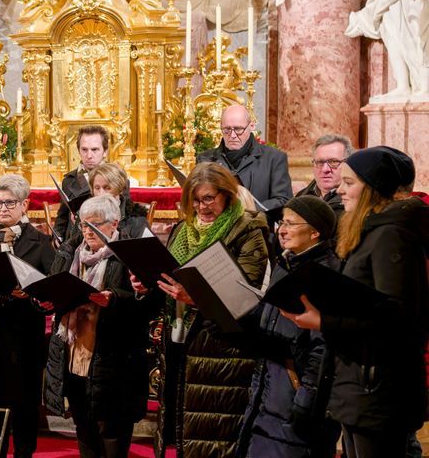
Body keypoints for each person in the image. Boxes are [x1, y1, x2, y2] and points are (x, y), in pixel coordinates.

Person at [282, 147, 428, 457]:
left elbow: (397, 317)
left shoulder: (391, 235)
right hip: (358, 382)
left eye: (349, 182)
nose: (339, 188)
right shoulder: (367, 230)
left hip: (378, 385)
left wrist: (323, 322)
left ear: (372, 188)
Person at [140, 162, 269, 457]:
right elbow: (168, 282)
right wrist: (145, 285)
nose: (201, 206)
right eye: (195, 200)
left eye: (209, 198)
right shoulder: (182, 231)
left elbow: (246, 297)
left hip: (220, 351)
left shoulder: (247, 230)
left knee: (215, 441)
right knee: (186, 439)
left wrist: (196, 297)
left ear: (226, 195)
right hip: (178, 344)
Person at [42, 194, 156, 458]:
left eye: (94, 225)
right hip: (73, 353)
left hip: (113, 358)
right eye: (83, 225)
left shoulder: (130, 252)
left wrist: (114, 299)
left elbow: (150, 306)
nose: (86, 231)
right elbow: (53, 286)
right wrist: (45, 302)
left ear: (114, 223)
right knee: (84, 427)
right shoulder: (70, 250)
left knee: (111, 431)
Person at [236, 196, 341, 457]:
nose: (281, 230)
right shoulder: (286, 264)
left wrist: (305, 404)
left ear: (315, 232)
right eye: (281, 222)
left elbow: (323, 349)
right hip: (270, 395)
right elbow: (268, 322)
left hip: (294, 404)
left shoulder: (325, 275)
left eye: (291, 224)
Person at [0, 174, 55, 458]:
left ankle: (24, 454)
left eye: (9, 203)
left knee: (24, 406)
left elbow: (50, 286)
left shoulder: (40, 242)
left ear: (25, 204)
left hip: (23, 333)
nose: (2, 208)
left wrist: (30, 293)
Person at [197, 104, 293, 211]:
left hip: (258, 225)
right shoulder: (205, 160)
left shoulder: (274, 158)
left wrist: (246, 211)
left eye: (238, 129)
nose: (232, 135)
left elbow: (283, 200)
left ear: (251, 126)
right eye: (227, 129)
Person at [54, 162, 149, 268]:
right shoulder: (85, 216)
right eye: (97, 188)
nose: (101, 194)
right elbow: (72, 250)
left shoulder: (136, 221)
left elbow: (141, 262)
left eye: (107, 188)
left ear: (120, 189)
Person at [54, 125, 110, 240]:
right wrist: (57, 236)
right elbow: (62, 217)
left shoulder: (118, 179)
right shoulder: (69, 180)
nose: (89, 156)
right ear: (79, 151)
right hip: (75, 242)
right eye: (84, 150)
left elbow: (125, 216)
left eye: (94, 150)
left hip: (106, 239)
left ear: (105, 151)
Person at [296, 134, 351, 218]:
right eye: (320, 162)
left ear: (348, 164)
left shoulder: (353, 201)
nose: (325, 169)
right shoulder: (301, 197)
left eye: (333, 162)